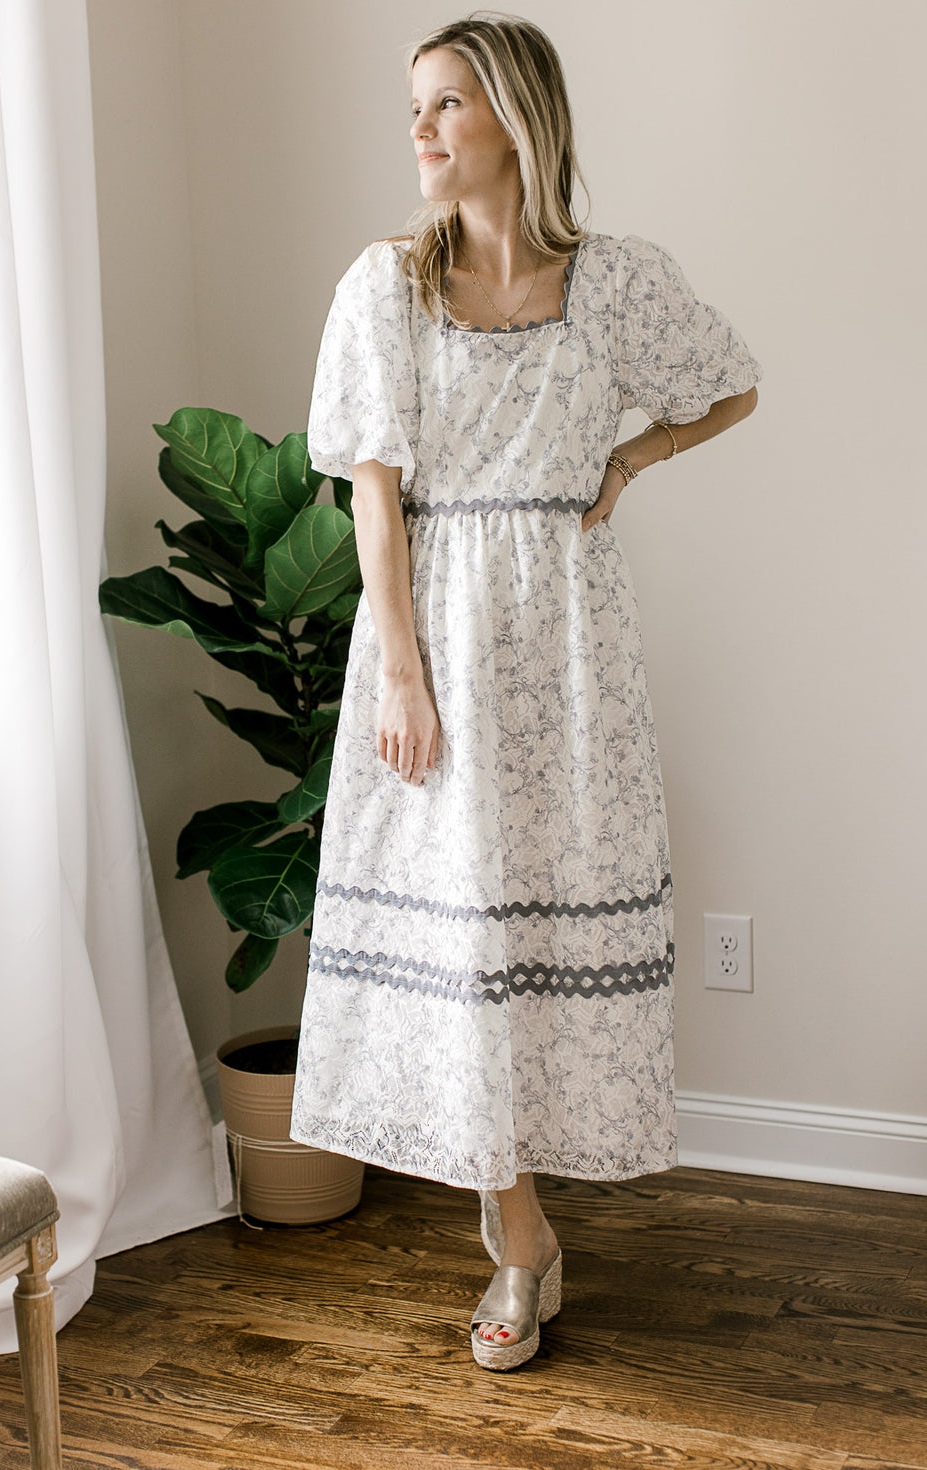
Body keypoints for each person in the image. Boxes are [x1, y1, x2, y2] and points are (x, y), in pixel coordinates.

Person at [289, 10, 760, 1371]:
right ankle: (520, 1240)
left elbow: (728, 388)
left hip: (569, 650)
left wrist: (626, 465)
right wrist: (403, 677)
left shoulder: (616, 284)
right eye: (415, 110)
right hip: (433, 637)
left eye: (446, 105)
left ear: (516, 119)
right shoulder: (385, 286)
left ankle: (528, 1231)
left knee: (536, 945)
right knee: (458, 950)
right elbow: (374, 502)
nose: (421, 132)